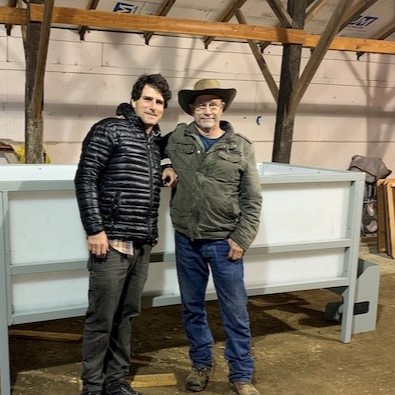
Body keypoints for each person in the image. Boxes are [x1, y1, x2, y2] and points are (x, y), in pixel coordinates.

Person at [74, 74, 174, 395]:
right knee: (101, 318)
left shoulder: (154, 142)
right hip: (111, 242)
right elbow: (85, 178)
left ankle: (115, 381)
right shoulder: (109, 129)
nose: (154, 106)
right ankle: (92, 386)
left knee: (127, 316)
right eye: (148, 99)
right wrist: (94, 229)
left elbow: (172, 145)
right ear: (134, 100)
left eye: (159, 102)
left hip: (141, 242)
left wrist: (168, 163)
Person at [164, 79, 263, 395]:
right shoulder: (178, 137)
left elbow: (252, 198)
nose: (207, 110)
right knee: (192, 307)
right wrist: (167, 164)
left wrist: (242, 238)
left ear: (222, 109)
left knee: (234, 311)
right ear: (192, 109)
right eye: (201, 105)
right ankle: (201, 365)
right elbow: (150, 144)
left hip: (225, 242)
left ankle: (241, 375)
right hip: (187, 240)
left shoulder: (241, 147)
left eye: (213, 105)